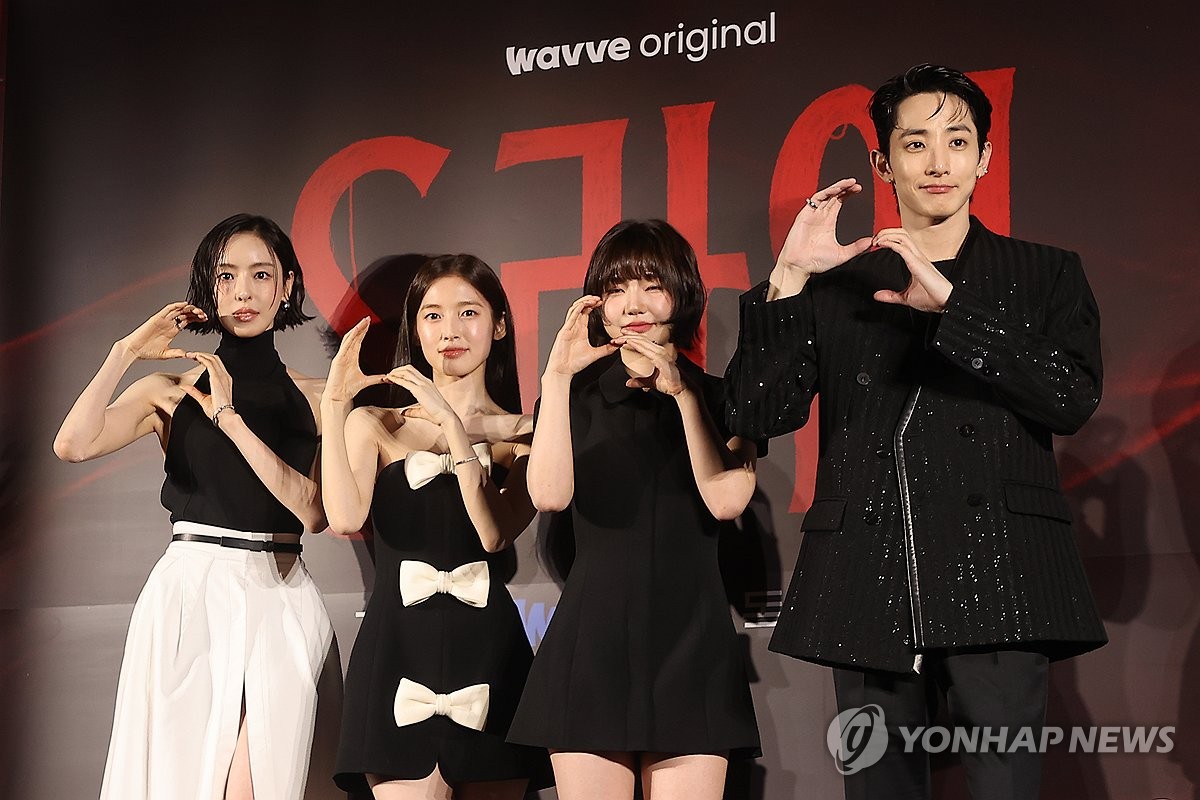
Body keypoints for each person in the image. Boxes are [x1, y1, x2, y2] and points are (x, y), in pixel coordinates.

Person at [724, 64, 1106, 799]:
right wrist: (789, 278)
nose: (938, 162)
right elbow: (755, 415)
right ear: (882, 163)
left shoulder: (1045, 274)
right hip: (869, 579)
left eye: (957, 142)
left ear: (984, 158)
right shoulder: (837, 281)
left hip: (1000, 572)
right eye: (915, 143)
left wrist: (956, 311)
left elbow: (1070, 398)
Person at [53, 214, 337, 800]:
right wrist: (125, 352)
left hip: (280, 594)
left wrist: (230, 419)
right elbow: (72, 444)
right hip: (190, 596)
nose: (243, 291)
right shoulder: (170, 390)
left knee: (260, 784)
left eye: (261, 275)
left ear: (286, 286)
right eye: (226, 276)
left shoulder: (316, 397)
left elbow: (315, 513)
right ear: (208, 287)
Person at [508, 219, 761, 800]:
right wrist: (557, 376)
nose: (633, 304)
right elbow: (548, 495)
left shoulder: (723, 396)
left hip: (692, 641)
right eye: (616, 289)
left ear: (682, 292)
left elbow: (725, 499)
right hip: (592, 640)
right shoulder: (574, 395)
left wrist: (684, 396)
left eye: (651, 285)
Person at [321, 254, 552, 799]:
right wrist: (334, 403)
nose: (450, 330)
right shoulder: (374, 423)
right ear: (415, 331)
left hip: (491, 653)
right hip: (397, 651)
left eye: (468, 312)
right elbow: (344, 517)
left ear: (499, 325)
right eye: (432, 315)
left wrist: (454, 426)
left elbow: (496, 535)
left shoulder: (528, 436)